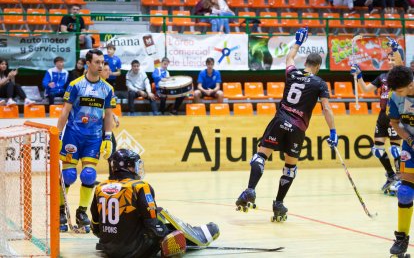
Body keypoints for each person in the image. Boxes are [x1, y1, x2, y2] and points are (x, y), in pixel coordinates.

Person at [235, 27, 337, 222]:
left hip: (280, 120)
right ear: (318, 66)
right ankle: (279, 204)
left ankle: (250, 190)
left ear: (306, 63)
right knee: (290, 167)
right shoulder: (320, 83)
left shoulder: (292, 74)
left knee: (261, 156)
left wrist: (298, 42)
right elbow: (326, 109)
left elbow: (289, 59)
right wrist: (333, 131)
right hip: (298, 128)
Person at [91, 149, 220, 257]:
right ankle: (199, 235)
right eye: (135, 165)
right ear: (128, 167)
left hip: (108, 250)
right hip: (134, 251)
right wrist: (167, 233)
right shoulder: (140, 186)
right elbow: (153, 226)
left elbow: (96, 228)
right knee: (161, 218)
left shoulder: (99, 188)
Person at [58, 49, 116, 232]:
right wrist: (57, 135)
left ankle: (82, 212)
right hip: (73, 135)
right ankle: (60, 210)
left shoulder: (107, 88)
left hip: (93, 138)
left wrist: (107, 137)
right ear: (88, 63)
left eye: (102, 62)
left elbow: (108, 115)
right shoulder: (75, 85)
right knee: (68, 175)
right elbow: (65, 112)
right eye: (97, 62)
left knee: (89, 175)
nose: (101, 66)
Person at [350, 39, 404, 195]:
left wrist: (395, 48)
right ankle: (391, 175)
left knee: (395, 149)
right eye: (389, 59)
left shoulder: (401, 76)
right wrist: (359, 75)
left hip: (395, 115)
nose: (391, 61)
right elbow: (366, 89)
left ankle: (400, 177)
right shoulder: (382, 77)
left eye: (393, 58)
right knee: (377, 149)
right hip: (382, 115)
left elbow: (400, 64)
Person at [386, 65, 414, 257]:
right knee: (404, 191)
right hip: (410, 145)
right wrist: (410, 140)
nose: (398, 94)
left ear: (411, 84)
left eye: (401, 91)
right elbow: (395, 123)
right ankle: (402, 238)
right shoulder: (395, 96)